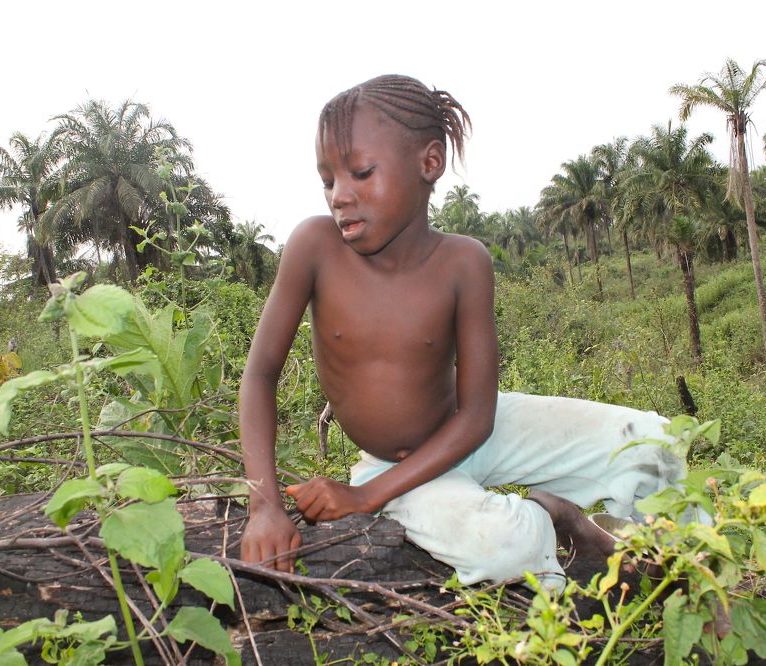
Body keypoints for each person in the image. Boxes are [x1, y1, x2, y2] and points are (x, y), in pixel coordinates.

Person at [239, 74, 685, 586]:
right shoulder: (315, 247)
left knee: (656, 443)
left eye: (361, 173)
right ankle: (558, 522)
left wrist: (364, 500)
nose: (339, 195)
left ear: (429, 163)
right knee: (507, 548)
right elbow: (260, 375)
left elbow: (477, 417)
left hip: (474, 435)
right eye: (328, 180)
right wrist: (264, 505)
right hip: (392, 468)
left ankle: (678, 568)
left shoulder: (463, 262)